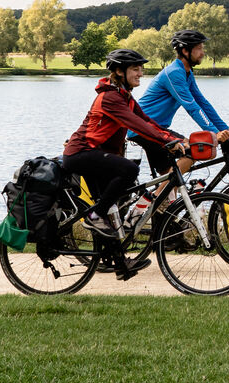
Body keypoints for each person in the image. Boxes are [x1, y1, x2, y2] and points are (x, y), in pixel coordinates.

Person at [62, 47, 187, 239]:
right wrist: (167, 141)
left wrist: (174, 138)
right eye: (136, 69)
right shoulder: (111, 98)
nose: (141, 74)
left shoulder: (124, 96)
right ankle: (94, 216)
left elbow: (147, 121)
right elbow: (137, 125)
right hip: (81, 153)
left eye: (141, 69)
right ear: (120, 71)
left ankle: (119, 265)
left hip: (94, 154)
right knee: (129, 170)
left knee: (110, 209)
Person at [129, 28, 229, 179]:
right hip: (144, 128)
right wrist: (215, 133)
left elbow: (203, 103)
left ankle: (159, 201)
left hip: (157, 129)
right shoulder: (174, 73)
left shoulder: (186, 73)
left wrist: (224, 129)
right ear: (185, 50)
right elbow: (192, 107)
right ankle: (158, 197)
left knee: (168, 175)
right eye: (199, 48)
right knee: (193, 150)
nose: (203, 53)